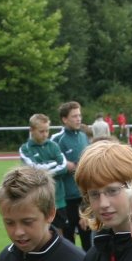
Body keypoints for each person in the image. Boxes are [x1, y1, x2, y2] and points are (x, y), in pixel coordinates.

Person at [19, 113, 69, 235]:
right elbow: (34, 170)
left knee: (61, 236)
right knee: (41, 235)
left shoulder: (54, 145)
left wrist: (44, 169)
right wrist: (53, 163)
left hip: (59, 199)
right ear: (32, 130)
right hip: (38, 201)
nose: (45, 134)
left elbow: (63, 166)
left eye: (47, 131)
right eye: (41, 131)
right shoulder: (25, 149)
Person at [52, 102, 92, 249]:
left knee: (89, 242)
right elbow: (51, 168)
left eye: (79, 115)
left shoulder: (83, 137)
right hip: (66, 199)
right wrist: (67, 167)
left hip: (85, 198)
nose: (78, 119)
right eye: (74, 116)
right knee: (69, 243)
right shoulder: (57, 139)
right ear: (64, 119)